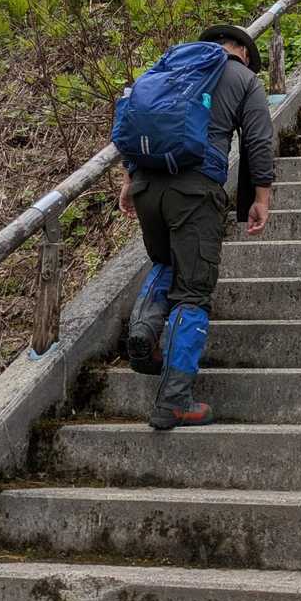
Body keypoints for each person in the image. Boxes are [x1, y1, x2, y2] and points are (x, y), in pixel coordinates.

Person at [118, 23, 274, 429]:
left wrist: (130, 179)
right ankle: (175, 401)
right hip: (195, 191)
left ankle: (143, 335)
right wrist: (261, 197)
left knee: (165, 262)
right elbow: (258, 140)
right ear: (242, 50)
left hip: (147, 185)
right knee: (193, 291)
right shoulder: (243, 78)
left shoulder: (171, 67)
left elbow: (132, 120)